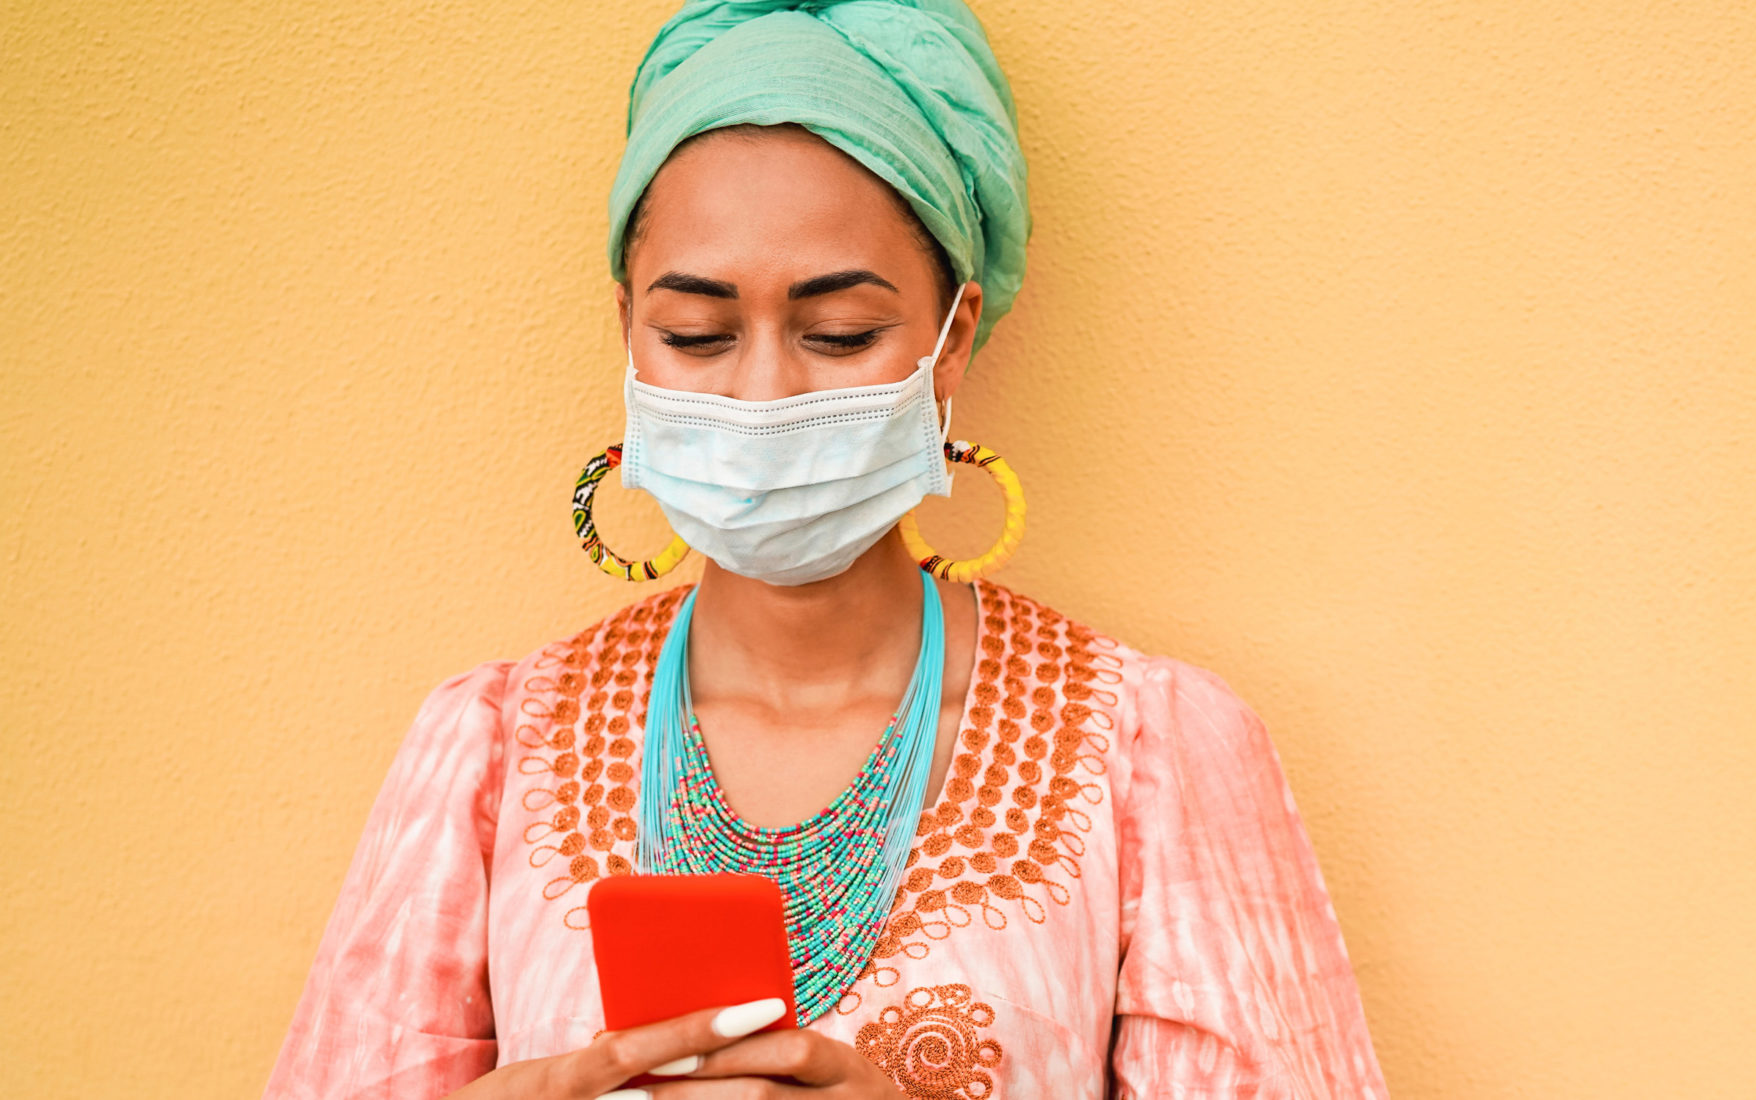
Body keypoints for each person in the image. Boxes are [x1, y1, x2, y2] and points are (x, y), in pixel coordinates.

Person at [261, 2, 1385, 1097]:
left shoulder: (1148, 756)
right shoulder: (493, 750)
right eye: (696, 334)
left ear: (951, 341)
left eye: (839, 334)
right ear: (628, 335)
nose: (763, 392)